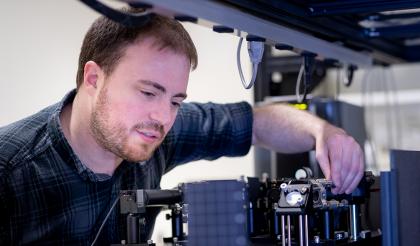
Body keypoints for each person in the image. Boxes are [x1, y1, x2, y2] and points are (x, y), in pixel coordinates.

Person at [0, 9, 364, 245]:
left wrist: (325, 133)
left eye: (176, 100)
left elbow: (256, 125)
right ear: (93, 78)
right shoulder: (10, 171)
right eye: (147, 92)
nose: (163, 117)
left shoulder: (155, 133)